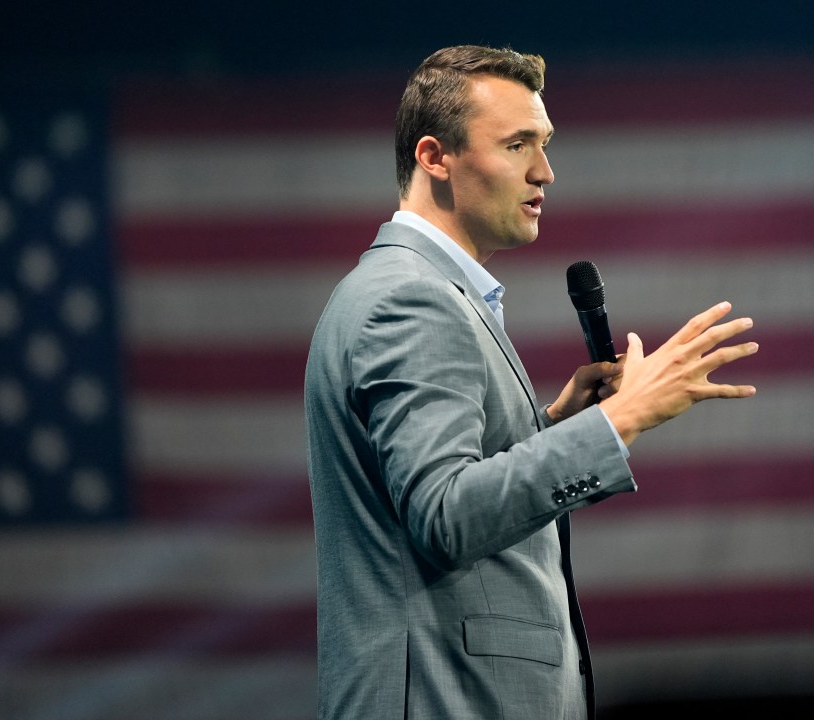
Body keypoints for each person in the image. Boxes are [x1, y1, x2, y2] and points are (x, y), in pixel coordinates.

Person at [304, 44, 758, 720]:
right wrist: (619, 421)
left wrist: (552, 429)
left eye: (542, 144)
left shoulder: (417, 291)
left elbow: (428, 495)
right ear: (435, 158)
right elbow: (445, 515)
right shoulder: (412, 301)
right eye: (517, 145)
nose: (544, 172)